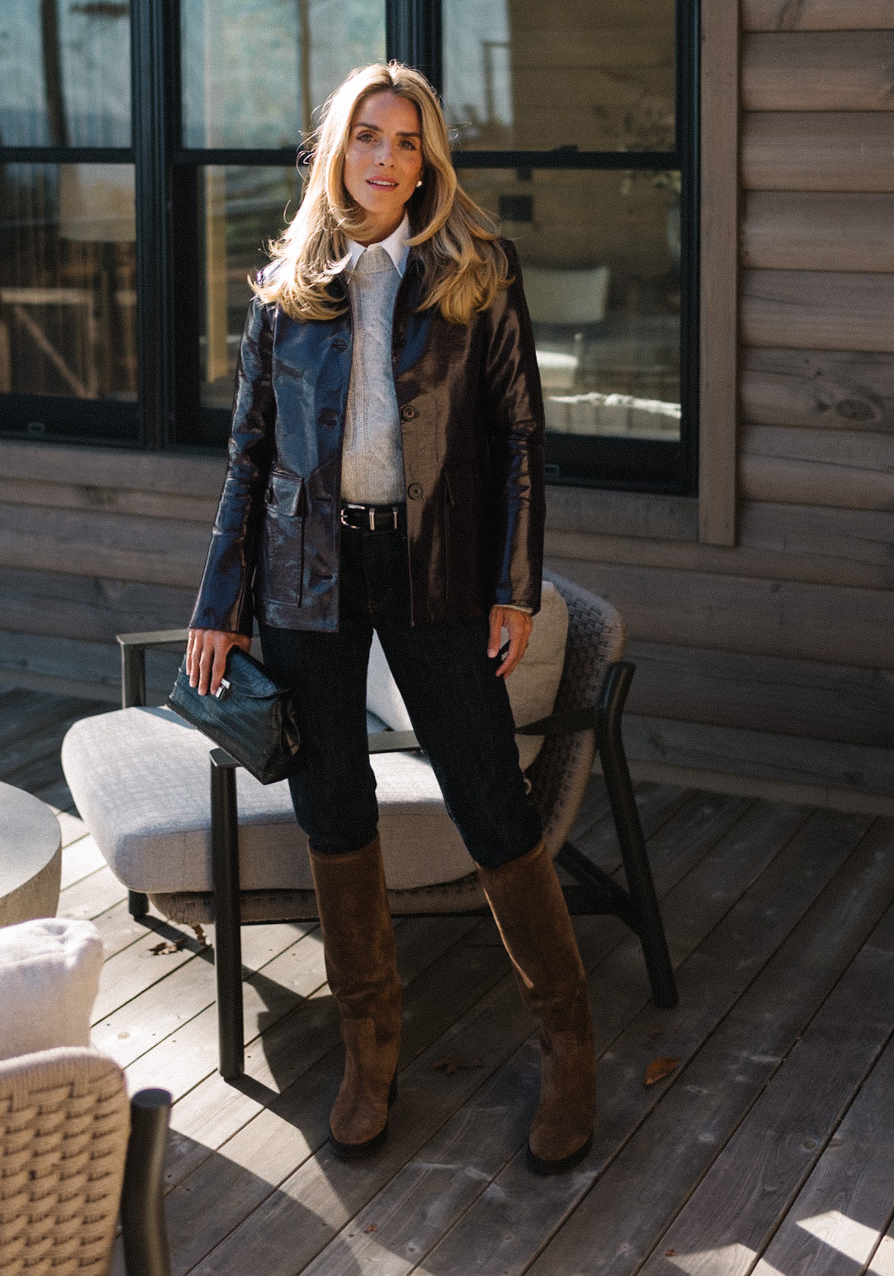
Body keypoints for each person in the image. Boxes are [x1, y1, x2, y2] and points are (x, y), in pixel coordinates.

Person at [186, 60, 595, 1173]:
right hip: (306, 579)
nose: (387, 158)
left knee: (489, 799)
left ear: (428, 159)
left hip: (435, 574)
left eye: (407, 141)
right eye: (368, 136)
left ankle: (569, 1047)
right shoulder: (288, 287)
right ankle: (371, 1052)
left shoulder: (474, 270)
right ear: (337, 151)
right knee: (332, 803)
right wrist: (218, 602)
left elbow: (518, 438)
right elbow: (248, 457)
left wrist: (513, 584)